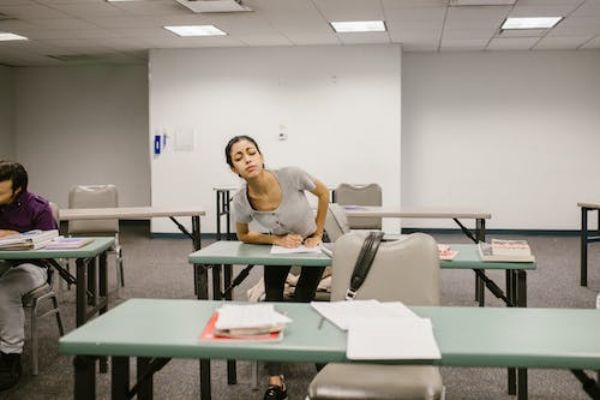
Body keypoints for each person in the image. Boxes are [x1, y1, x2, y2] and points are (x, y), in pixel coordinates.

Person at [225, 135, 329, 400]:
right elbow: (244, 235)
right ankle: (276, 380)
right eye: (239, 158)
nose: (247, 159)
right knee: (272, 303)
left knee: (302, 299)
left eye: (251, 152)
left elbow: (323, 192)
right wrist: (276, 240)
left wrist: (318, 233)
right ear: (234, 169)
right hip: (280, 246)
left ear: (261, 156)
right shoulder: (241, 200)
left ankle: (319, 364)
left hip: (312, 242)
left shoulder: (292, 175)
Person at [0, 160, 56, 391]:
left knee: (4, 291)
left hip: (33, 267)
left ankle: (10, 356)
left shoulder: (39, 208)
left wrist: (16, 237)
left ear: (18, 190)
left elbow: (51, 247)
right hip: (3, 263)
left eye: (1, 192)